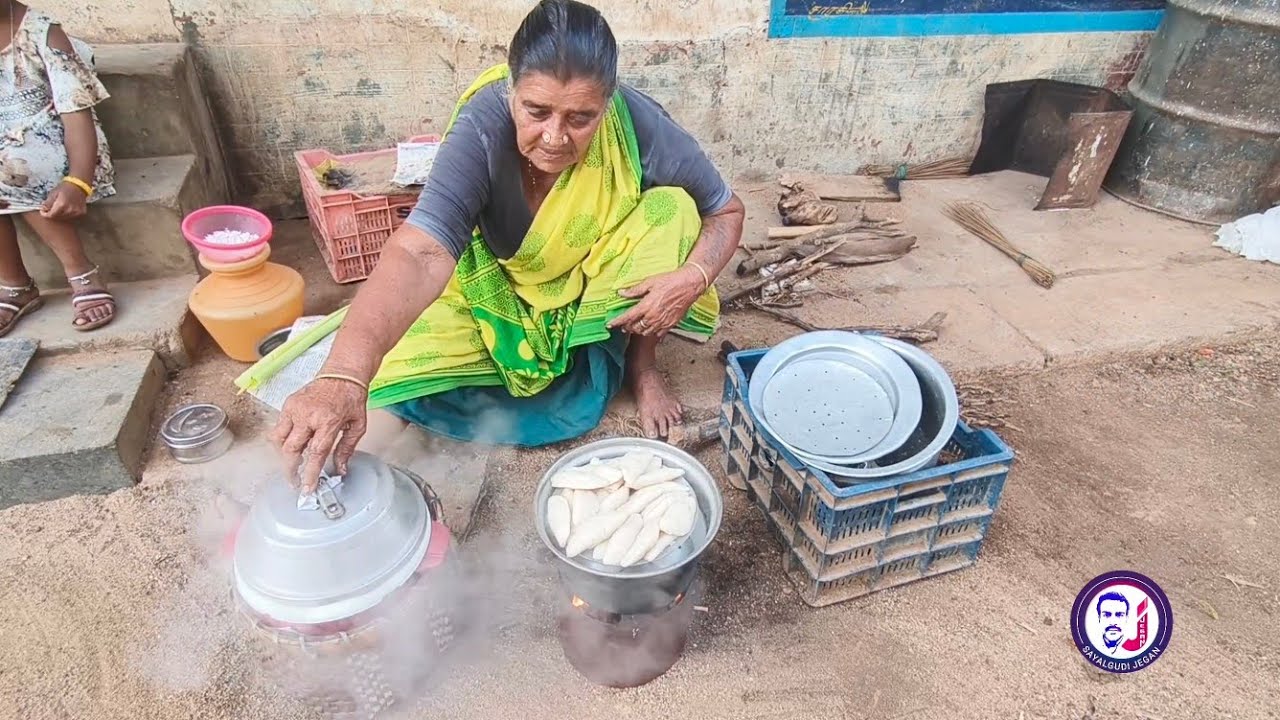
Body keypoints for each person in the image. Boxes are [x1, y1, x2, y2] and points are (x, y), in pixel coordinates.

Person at [243, 0, 743, 489]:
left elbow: (726, 210)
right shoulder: (482, 128)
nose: (554, 137)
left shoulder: (637, 126)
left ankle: (641, 364)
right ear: (510, 91)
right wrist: (344, 377)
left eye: (580, 118)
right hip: (494, 287)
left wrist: (692, 279)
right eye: (536, 110)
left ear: (606, 104)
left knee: (671, 207)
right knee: (390, 368)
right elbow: (422, 251)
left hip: (594, 279)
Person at [0, 2, 117, 336]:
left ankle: (81, 272)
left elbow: (75, 115)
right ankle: (15, 284)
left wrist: (78, 181)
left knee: (16, 163)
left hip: (61, 144)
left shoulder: (43, 34)